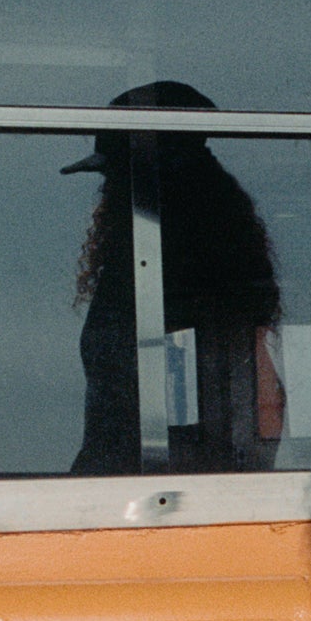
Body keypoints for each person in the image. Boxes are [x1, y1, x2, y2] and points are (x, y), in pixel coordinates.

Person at [65, 80, 284, 475]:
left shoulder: (158, 265)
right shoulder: (218, 258)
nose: (107, 193)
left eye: (116, 177)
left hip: (163, 483)